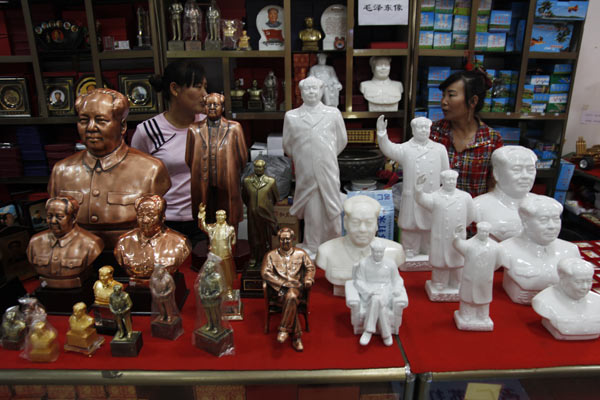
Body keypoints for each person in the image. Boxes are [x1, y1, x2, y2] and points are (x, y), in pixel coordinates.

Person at [48, 88, 171, 249]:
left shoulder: (151, 169)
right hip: (77, 257)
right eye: (84, 120)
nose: (91, 128)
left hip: (133, 256)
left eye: (101, 120)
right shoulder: (61, 171)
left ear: (122, 126)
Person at [132, 60, 207, 247]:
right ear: (175, 89)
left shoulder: (209, 125)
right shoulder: (148, 131)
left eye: (205, 87)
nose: (205, 95)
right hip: (165, 221)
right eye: (198, 87)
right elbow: (136, 182)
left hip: (204, 219)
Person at [282, 76, 347, 257]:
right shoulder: (292, 116)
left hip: (328, 169)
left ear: (322, 91)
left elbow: (342, 141)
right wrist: (305, 157)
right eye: (307, 89)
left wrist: (325, 155)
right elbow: (288, 146)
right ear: (301, 92)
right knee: (312, 211)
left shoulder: (333, 113)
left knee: (331, 207)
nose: (311, 92)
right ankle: (312, 244)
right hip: (306, 172)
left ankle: (333, 242)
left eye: (315, 88)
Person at [376, 115, 449, 258]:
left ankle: (427, 248)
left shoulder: (439, 149)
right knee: (410, 224)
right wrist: (382, 133)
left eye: (426, 127)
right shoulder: (406, 149)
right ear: (413, 129)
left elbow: (446, 173)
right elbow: (389, 148)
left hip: (432, 195)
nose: (423, 130)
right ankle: (410, 248)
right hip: (412, 196)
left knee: (430, 224)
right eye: (420, 127)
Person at [430, 69, 504, 197]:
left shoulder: (491, 140)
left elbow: (494, 187)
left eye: (451, 95)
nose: (443, 101)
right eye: (443, 95)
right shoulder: (433, 133)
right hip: (437, 212)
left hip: (475, 214)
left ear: (473, 101)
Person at [316, 195, 405, 296]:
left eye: (369, 223)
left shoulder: (395, 251)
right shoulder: (326, 252)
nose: (362, 229)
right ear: (345, 223)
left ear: (376, 224)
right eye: (355, 222)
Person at [500, 194, 581, 305]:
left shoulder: (570, 250)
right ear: (525, 222)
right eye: (544, 220)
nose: (552, 226)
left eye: (556, 219)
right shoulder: (505, 249)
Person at [186, 92, 248, 230]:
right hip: (203, 180)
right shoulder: (193, 129)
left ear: (223, 107)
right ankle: (209, 243)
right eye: (209, 105)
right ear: (204, 107)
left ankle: (231, 246)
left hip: (227, 180)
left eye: (216, 104)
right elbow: (189, 159)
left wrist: (231, 171)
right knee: (206, 215)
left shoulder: (234, 128)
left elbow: (243, 157)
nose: (212, 107)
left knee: (230, 216)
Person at [415, 170, 477, 301]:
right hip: (440, 235)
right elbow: (421, 199)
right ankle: (439, 282)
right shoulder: (435, 196)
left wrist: (460, 227)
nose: (450, 182)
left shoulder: (465, 197)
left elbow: (471, 215)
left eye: (453, 180)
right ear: (442, 181)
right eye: (448, 180)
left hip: (457, 235)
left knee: (457, 259)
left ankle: (456, 282)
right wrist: (419, 189)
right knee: (441, 261)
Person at [26, 196, 104, 289]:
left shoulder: (92, 243)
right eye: (49, 216)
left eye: (59, 217)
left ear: (73, 218)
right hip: (45, 286)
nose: (53, 221)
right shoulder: (35, 242)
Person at [114, 195, 191, 285]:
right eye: (141, 215)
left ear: (162, 217)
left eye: (151, 215)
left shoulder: (180, 243)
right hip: (135, 286)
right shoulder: (123, 243)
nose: (145, 220)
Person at [261, 228, 315, 352]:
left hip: (297, 288)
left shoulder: (301, 254)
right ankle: (296, 337)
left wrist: (308, 279)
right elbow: (265, 273)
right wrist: (283, 284)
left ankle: (284, 329)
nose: (285, 241)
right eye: (282, 239)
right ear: (278, 240)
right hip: (278, 291)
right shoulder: (270, 255)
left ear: (293, 239)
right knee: (291, 299)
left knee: (291, 296)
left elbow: (310, 268)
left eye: (288, 239)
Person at [474, 146, 538, 241]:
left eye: (530, 170)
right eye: (517, 170)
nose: (525, 176)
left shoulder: (542, 204)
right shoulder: (477, 206)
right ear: (496, 173)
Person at [352, 240, 408, 346]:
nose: (378, 254)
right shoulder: (364, 263)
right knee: (376, 299)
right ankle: (386, 334)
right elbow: (359, 281)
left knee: (376, 299)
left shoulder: (390, 263)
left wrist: (396, 289)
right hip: (369, 291)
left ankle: (368, 331)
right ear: (371, 251)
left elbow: (397, 280)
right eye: (376, 252)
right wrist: (369, 291)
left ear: (383, 252)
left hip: (386, 290)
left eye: (380, 252)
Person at [452, 222, 504, 331]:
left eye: (486, 232)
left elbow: (499, 262)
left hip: (485, 279)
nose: (484, 234)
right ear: (478, 231)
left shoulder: (495, 247)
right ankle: (466, 314)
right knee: (468, 297)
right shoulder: (469, 244)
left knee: (484, 298)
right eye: (482, 231)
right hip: (470, 278)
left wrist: (488, 270)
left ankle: (483, 315)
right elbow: (458, 244)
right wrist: (456, 236)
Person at [532, 258, 600, 340]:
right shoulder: (543, 300)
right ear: (563, 279)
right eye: (578, 282)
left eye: (589, 281)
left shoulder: (597, 300)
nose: (585, 287)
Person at [241, 159, 279, 269]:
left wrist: (265, 206)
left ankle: (266, 257)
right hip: (252, 215)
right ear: (253, 167)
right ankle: (253, 257)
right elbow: (245, 197)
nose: (258, 169)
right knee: (253, 237)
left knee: (266, 238)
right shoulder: (247, 181)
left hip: (266, 215)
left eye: (260, 167)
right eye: (256, 167)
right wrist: (253, 207)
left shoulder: (271, 181)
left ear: (264, 168)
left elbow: (275, 198)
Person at [197, 204, 236, 299]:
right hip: (214, 256)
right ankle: (217, 290)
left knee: (227, 274)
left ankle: (229, 289)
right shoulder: (212, 228)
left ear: (225, 216)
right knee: (215, 274)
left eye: (222, 215)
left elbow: (233, 242)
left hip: (226, 255)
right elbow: (202, 226)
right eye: (218, 215)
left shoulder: (230, 229)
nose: (220, 217)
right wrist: (202, 213)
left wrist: (230, 250)